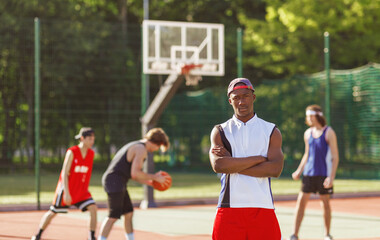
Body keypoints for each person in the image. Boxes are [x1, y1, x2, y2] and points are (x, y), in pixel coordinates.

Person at [209, 78, 284, 240]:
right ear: (230, 101)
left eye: (245, 96)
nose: (241, 102)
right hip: (229, 207)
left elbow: (275, 169)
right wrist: (259, 159)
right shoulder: (220, 130)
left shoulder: (271, 130)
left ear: (253, 97)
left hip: (262, 206)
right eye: (236, 98)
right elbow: (218, 165)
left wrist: (233, 163)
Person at [98, 127, 170, 240]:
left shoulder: (138, 145)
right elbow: (136, 173)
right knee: (113, 215)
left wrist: (152, 182)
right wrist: (155, 177)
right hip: (114, 181)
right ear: (157, 143)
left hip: (118, 181)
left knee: (128, 213)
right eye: (158, 147)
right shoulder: (141, 149)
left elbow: (134, 175)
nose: (156, 150)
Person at [32, 127, 97, 240]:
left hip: (81, 191)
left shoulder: (91, 154)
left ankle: (91, 237)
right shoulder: (72, 152)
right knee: (53, 212)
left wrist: (84, 189)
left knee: (93, 208)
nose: (92, 141)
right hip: (67, 189)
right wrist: (66, 192)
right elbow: (64, 173)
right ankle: (38, 235)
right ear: (82, 139)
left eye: (93, 139)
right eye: (90, 139)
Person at [289, 105, 339, 240]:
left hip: (324, 175)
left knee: (325, 204)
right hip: (309, 175)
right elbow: (307, 154)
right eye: (307, 116)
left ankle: (327, 234)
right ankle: (294, 235)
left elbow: (335, 157)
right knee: (300, 203)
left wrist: (331, 177)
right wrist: (299, 170)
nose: (308, 119)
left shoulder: (329, 132)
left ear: (317, 115)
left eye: (310, 115)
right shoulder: (307, 133)